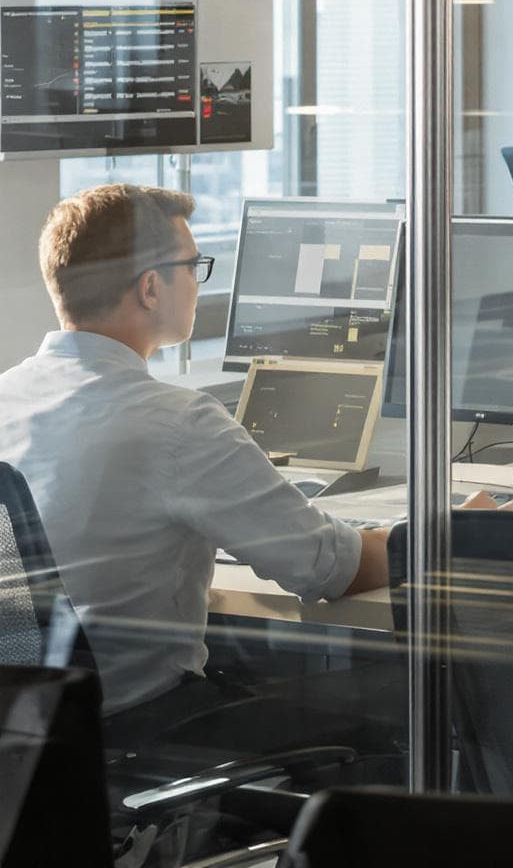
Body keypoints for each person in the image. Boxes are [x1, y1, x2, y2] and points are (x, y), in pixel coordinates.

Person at [0, 186, 392, 746]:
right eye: (193, 266)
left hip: (31, 728)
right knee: (395, 705)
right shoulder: (175, 421)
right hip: (138, 722)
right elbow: (331, 568)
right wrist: (448, 532)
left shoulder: (7, 396)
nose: (197, 281)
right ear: (151, 287)